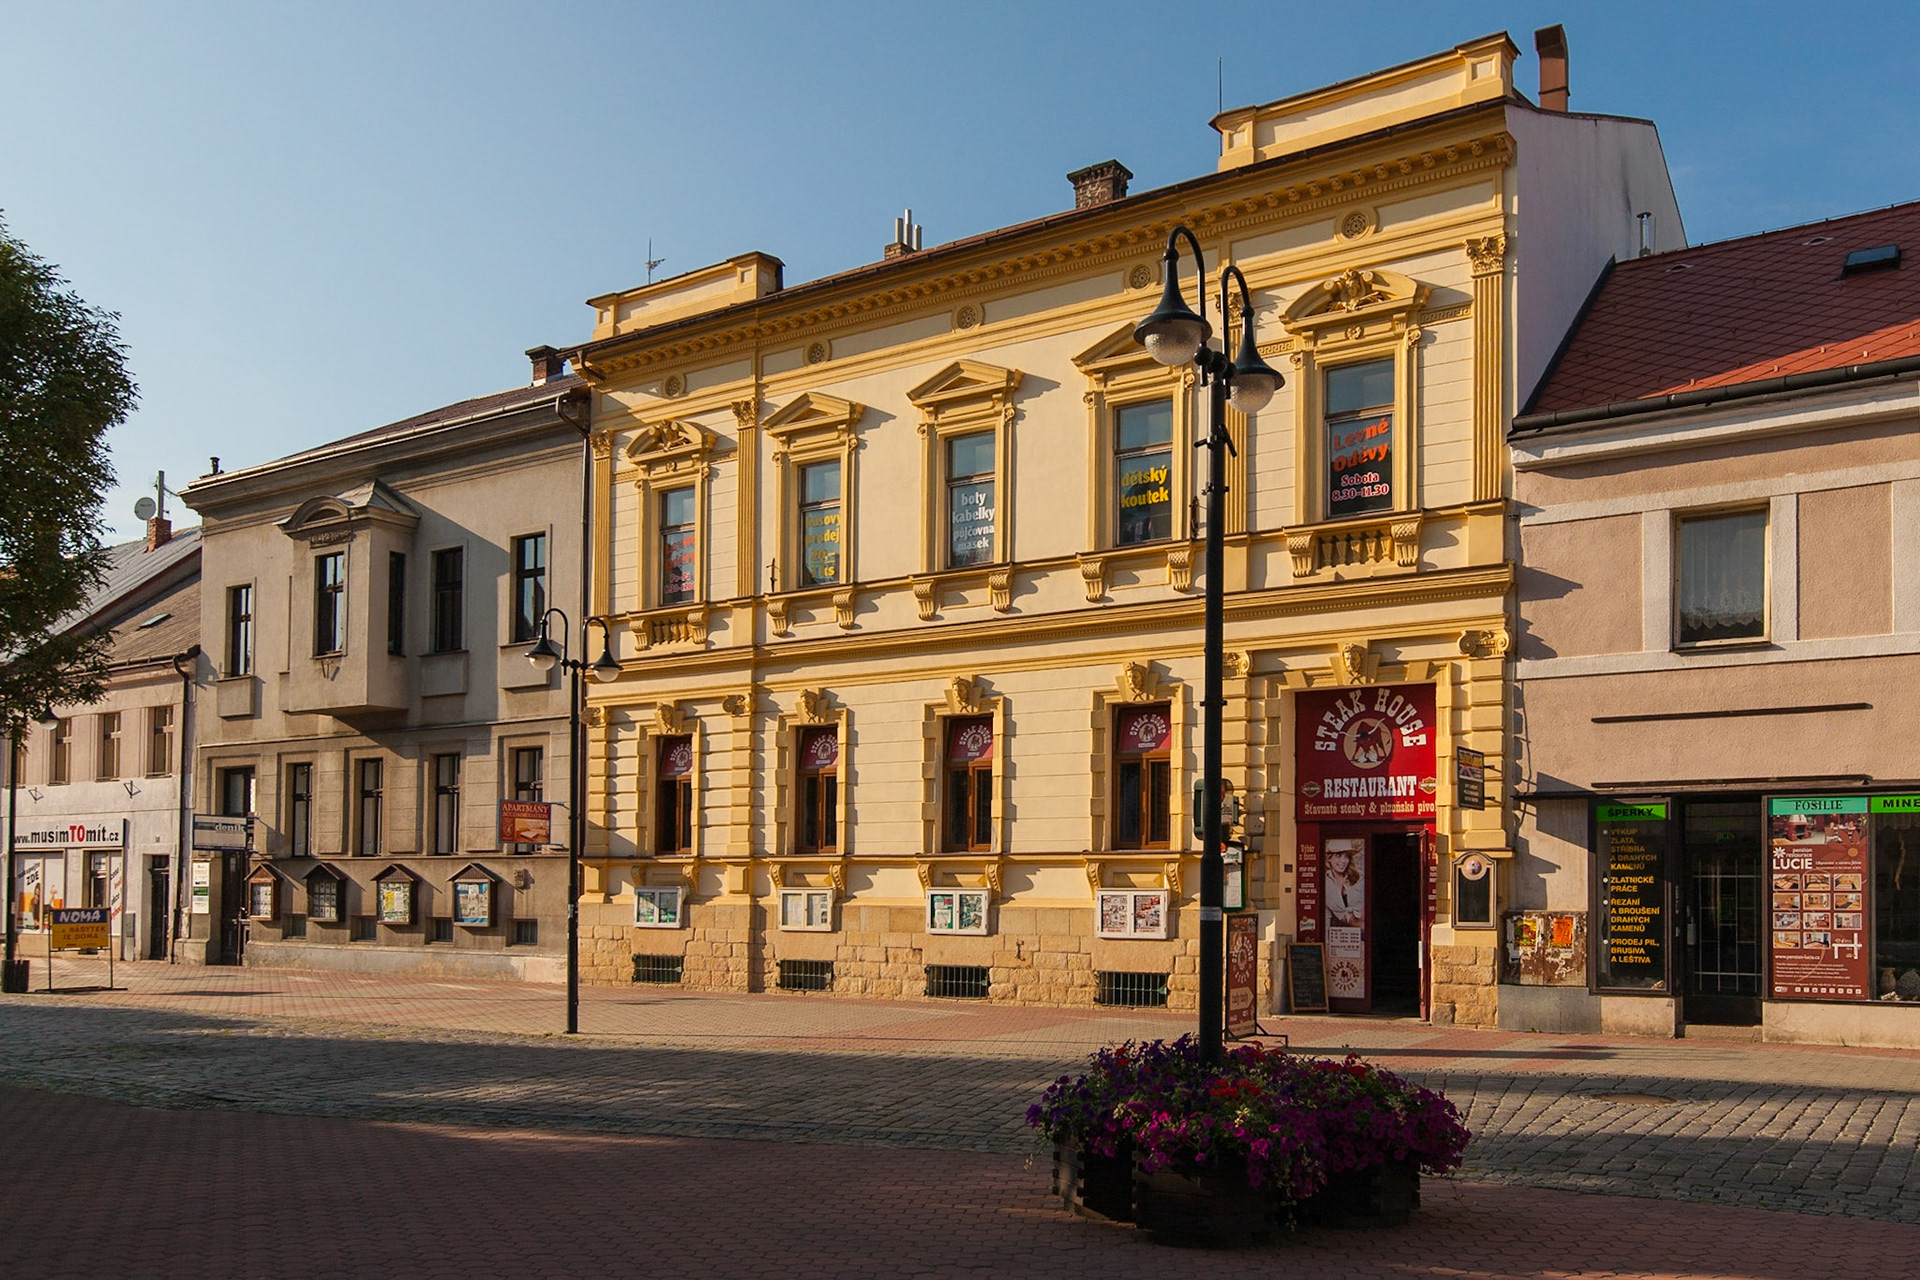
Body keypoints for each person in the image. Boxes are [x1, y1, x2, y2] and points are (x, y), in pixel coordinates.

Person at [1326, 843, 1364, 927]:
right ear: (1329, 858)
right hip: (1339, 934)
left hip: (1360, 931)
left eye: (1346, 856)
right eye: (1338, 855)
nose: (1343, 861)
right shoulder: (1326, 883)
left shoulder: (1357, 877)